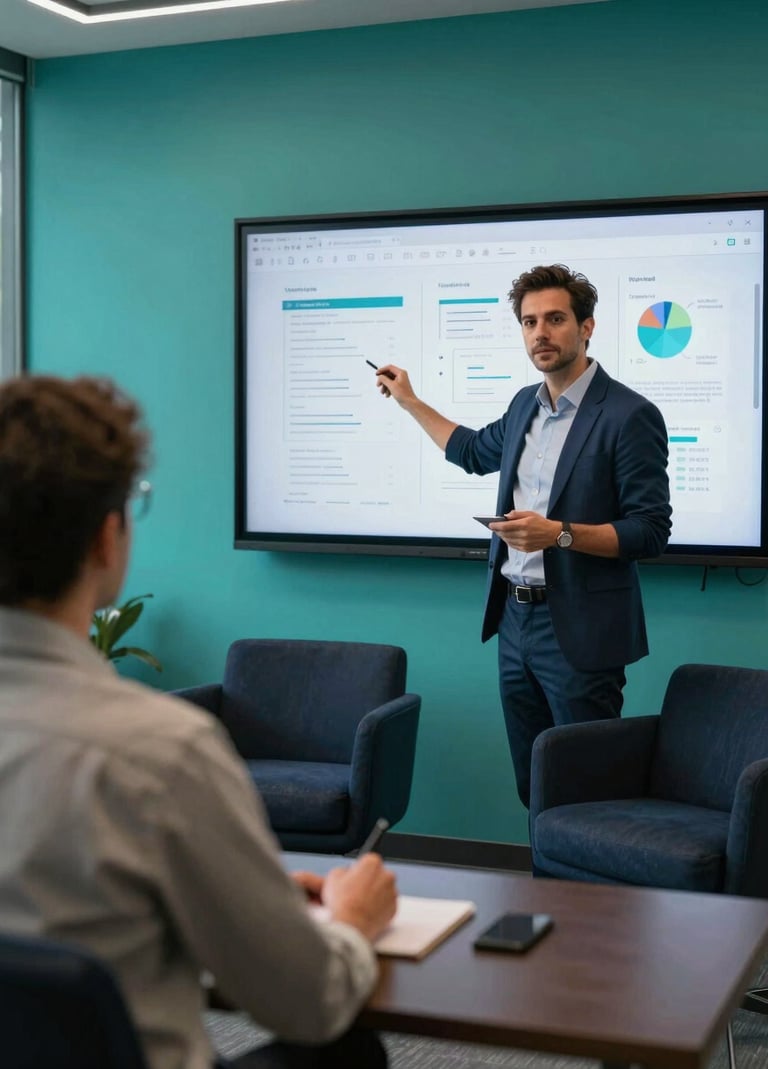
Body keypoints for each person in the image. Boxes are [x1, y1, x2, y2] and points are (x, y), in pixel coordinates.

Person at [0, 375, 397, 1069]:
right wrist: (354, 924)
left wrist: (247, 888)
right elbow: (308, 1000)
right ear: (106, 538)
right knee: (347, 1051)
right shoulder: (160, 753)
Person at [376, 264, 672, 808]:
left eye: (555, 319)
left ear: (586, 327)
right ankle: (542, 870)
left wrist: (558, 535)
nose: (541, 333)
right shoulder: (522, 406)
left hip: (579, 629)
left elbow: (650, 531)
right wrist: (410, 400)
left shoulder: (629, 415)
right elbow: (470, 451)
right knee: (531, 785)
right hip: (514, 622)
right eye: (530, 322)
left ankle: (584, 870)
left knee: (586, 790)